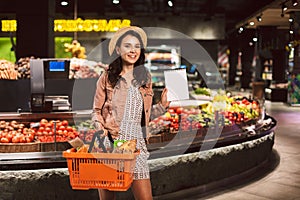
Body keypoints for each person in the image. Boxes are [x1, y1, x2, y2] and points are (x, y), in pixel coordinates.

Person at [91, 26, 170, 200]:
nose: (133, 50)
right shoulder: (107, 76)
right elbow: (96, 111)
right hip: (111, 144)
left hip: (136, 146)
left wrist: (162, 106)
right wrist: (100, 129)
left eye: (136, 46)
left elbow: (144, 115)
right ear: (118, 49)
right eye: (127, 46)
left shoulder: (145, 78)